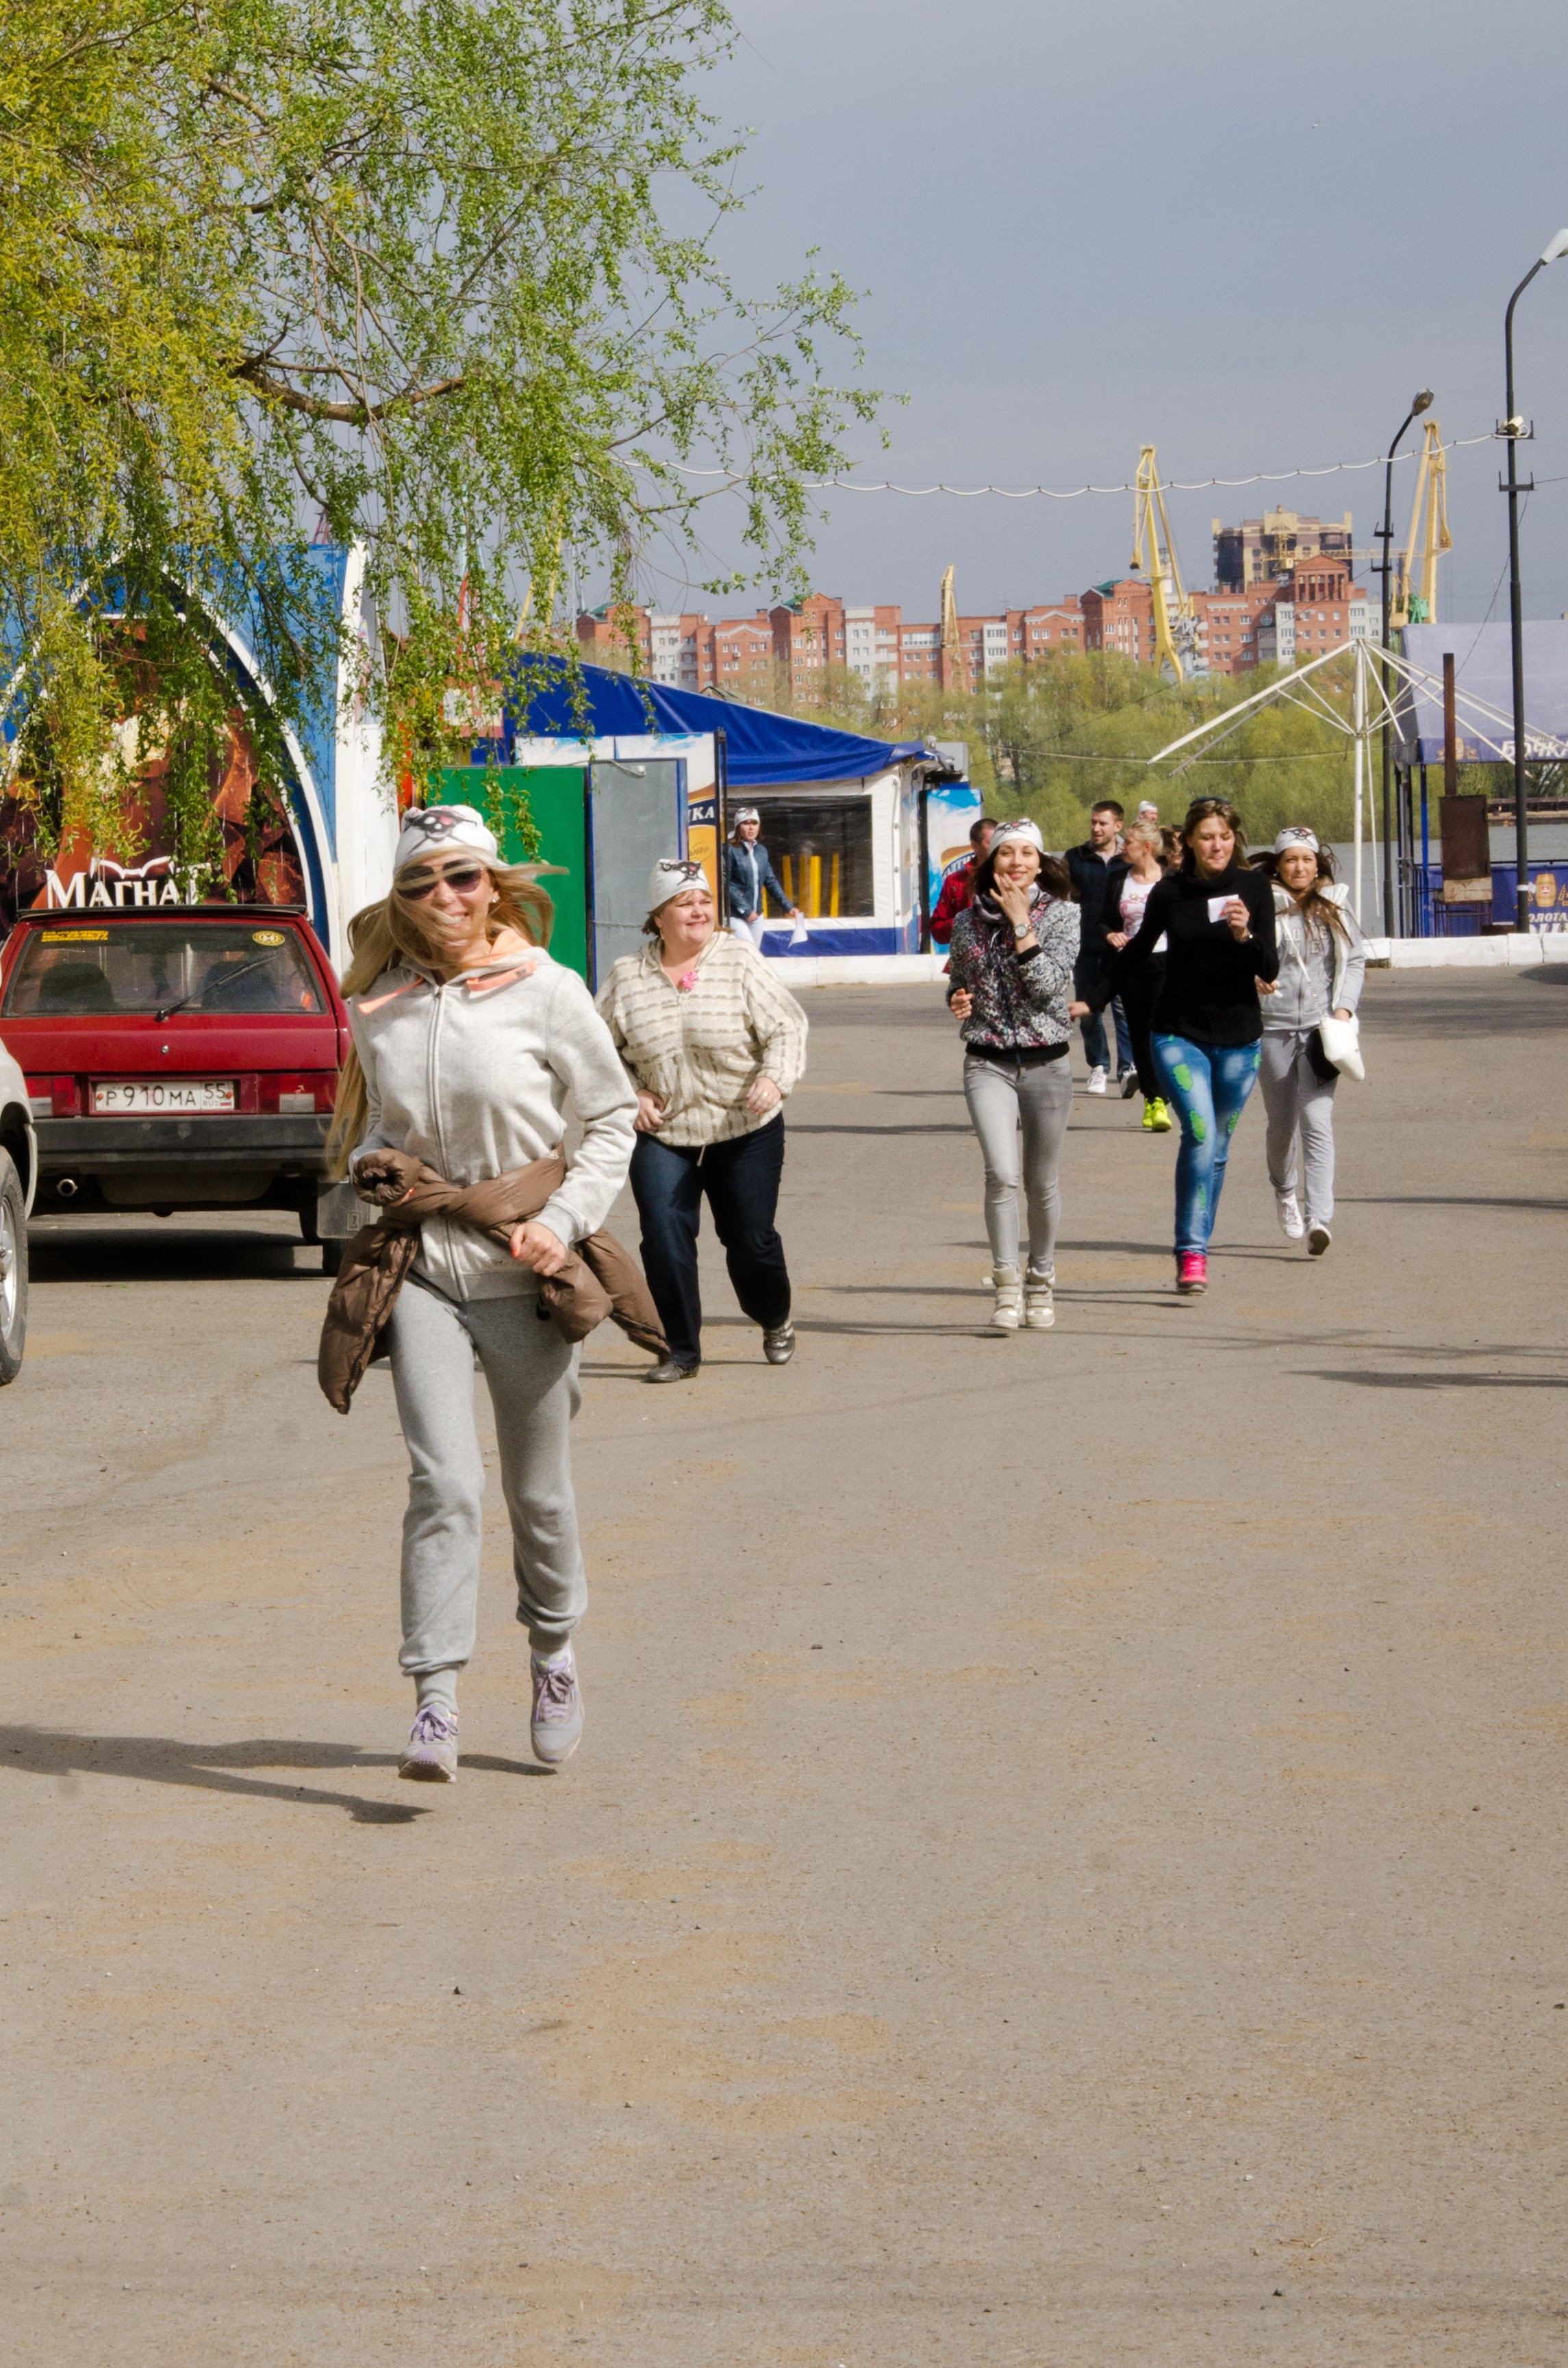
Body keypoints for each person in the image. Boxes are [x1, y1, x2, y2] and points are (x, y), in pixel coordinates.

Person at [327, 804, 639, 1781]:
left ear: (493, 884)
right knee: (444, 1481)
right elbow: (379, 1122)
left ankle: (553, 1652)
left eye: (462, 876)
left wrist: (565, 1220)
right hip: (424, 1267)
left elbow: (610, 1118)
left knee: (537, 1491)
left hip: (523, 1272)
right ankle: (436, 1698)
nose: (444, 897)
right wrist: (376, 1160)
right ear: (402, 898)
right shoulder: (383, 1002)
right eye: (421, 882)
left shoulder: (548, 990)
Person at [597, 856, 809, 1381]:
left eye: (705, 900)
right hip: (665, 1132)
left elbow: (786, 1026)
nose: (698, 910)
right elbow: (596, 1049)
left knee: (750, 1242)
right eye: (683, 902)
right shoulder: (628, 976)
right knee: (663, 1232)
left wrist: (774, 1078)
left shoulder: (738, 960)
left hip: (744, 1128)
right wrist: (631, 1093)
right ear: (658, 916)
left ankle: (774, 1316)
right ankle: (681, 1350)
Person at [1073, 796, 1278, 1297]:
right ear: (1188, 841)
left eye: (1225, 837)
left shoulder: (1253, 888)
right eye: (1207, 837)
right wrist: (1094, 999)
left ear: (1235, 839)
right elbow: (1136, 950)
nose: (1217, 846)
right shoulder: (1169, 891)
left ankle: (1199, 1239)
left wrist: (1244, 934)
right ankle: (1191, 1250)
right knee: (1201, 1134)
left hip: (1240, 1040)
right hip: (1177, 1032)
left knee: (1218, 1148)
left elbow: (1269, 966)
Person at [946, 819, 1079, 1333]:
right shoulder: (966, 922)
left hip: (1048, 1062)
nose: (1017, 862)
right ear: (991, 861)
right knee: (1001, 1174)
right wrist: (957, 999)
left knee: (1041, 1182)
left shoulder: (1064, 915)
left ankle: (1041, 1279)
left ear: (1041, 863)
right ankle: (1006, 1285)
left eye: (1027, 853)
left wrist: (1022, 924)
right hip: (987, 1061)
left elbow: (1048, 987)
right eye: (1007, 853)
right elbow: (960, 982)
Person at [1254, 826, 1367, 1258]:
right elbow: (1243, 956)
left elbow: (1354, 961)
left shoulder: (1335, 903)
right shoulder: (1262, 904)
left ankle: (1319, 1218)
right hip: (1273, 1028)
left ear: (1318, 864)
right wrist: (1253, 978)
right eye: (1291, 860)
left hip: (1322, 1033)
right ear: (1279, 865)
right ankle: (1285, 1191)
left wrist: (1344, 1011)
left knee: (1317, 1122)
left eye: (1307, 859)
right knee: (1282, 1126)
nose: (1299, 867)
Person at [1101, 818, 1172, 1133]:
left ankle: (1166, 1088)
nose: (1122, 847)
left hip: (1167, 962)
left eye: (1128, 843)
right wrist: (1110, 934)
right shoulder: (1118, 879)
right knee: (1139, 1032)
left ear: (1147, 847)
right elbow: (1102, 920)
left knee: (1163, 1030)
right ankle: (1153, 1099)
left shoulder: (1171, 879)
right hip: (1131, 963)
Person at [1065, 800, 1133, 1094]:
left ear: (1118, 826)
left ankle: (1128, 1068)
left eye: (1102, 823)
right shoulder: (1075, 858)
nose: (1096, 828)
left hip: (1122, 949)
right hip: (1086, 948)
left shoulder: (1129, 858)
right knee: (1089, 1012)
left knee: (1124, 1011)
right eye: (1093, 822)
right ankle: (1099, 1066)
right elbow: (1063, 896)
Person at [724, 808, 803, 950]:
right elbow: (725, 884)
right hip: (735, 915)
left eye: (754, 823)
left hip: (757, 915)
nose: (751, 827)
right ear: (738, 827)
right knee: (748, 950)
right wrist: (746, 910)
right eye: (746, 823)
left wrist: (788, 907)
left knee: (754, 955)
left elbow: (771, 881)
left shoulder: (761, 851)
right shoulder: (729, 849)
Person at [930, 815, 997, 945]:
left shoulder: (1012, 877)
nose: (997, 848)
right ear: (974, 846)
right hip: (969, 953)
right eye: (991, 843)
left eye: (999, 842)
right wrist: (966, 921)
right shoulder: (955, 882)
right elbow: (938, 932)